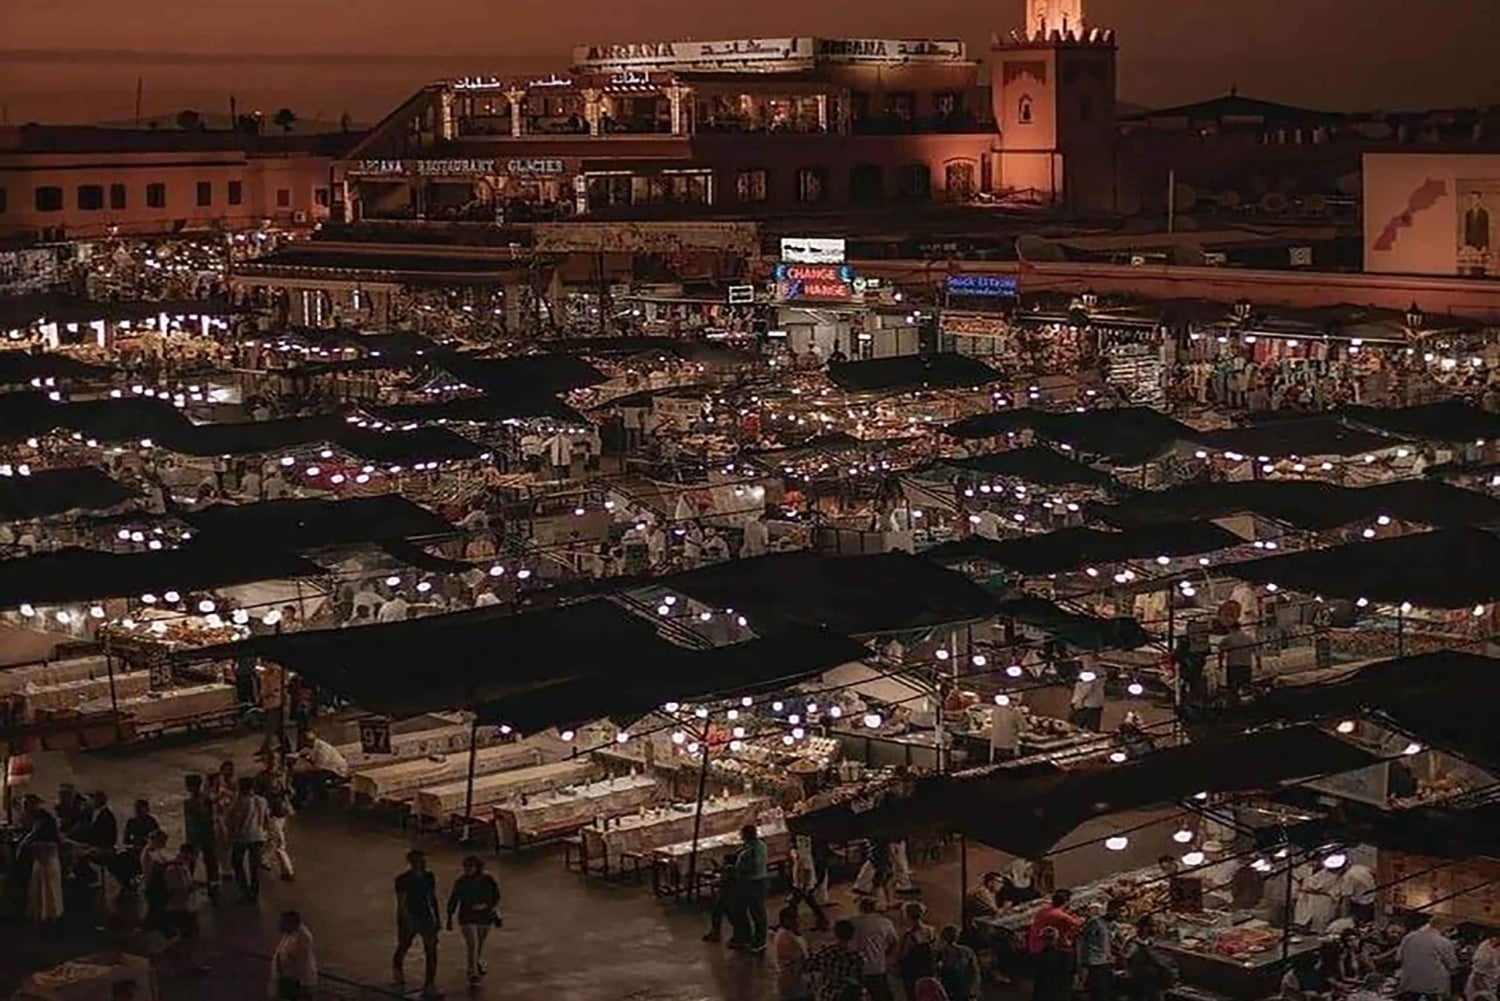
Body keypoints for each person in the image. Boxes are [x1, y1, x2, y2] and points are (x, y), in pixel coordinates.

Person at [392, 849, 441, 998]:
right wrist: (404, 918)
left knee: (431, 950)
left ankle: (429, 982)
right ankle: (397, 966)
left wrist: (437, 917)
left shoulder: (429, 877)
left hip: (425, 915)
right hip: (411, 916)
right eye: (420, 861)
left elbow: (432, 897)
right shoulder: (403, 879)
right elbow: (402, 901)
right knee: (404, 945)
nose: (423, 863)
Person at [446, 855, 500, 987]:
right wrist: (449, 917)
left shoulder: (487, 880)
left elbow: (495, 896)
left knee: (479, 943)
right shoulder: (461, 882)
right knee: (472, 944)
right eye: (466, 867)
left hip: (484, 916)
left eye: (471, 867)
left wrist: (487, 906)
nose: (468, 869)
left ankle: (476, 961)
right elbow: (453, 900)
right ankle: (472, 971)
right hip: (467, 916)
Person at [1395, 914, 1458, 1000]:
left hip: (1409, 985)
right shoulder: (1442, 942)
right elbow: (1453, 965)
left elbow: (1399, 957)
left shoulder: (1409, 937)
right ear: (1445, 927)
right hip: (1433, 988)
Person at [850, 896, 899, 1001]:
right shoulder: (885, 922)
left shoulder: (852, 922)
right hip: (878, 967)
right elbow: (894, 942)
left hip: (856, 968)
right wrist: (885, 955)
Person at [228, 776, 269, 902]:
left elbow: (235, 820)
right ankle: (254, 891)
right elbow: (266, 819)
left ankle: (244, 891)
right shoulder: (262, 800)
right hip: (258, 835)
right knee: (254, 866)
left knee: (236, 863)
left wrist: (231, 834)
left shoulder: (241, 802)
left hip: (242, 837)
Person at [806, 919, 866, 1001]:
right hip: (849, 996)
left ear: (836, 934)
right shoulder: (857, 957)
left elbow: (809, 966)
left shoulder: (826, 953)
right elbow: (859, 980)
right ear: (852, 935)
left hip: (829, 995)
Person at [733, 824, 771, 951]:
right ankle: (751, 937)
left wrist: (738, 870)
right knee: (753, 910)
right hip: (757, 881)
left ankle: (759, 941)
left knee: (757, 912)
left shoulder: (753, 850)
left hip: (754, 883)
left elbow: (753, 866)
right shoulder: (758, 846)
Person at [182, 775, 219, 894]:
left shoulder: (189, 803)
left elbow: (190, 823)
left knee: (191, 861)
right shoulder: (207, 800)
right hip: (207, 834)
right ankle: (213, 883)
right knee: (210, 861)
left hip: (195, 835)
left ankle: (187, 883)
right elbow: (212, 818)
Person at [1125, 917, 1177, 1001]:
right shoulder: (1133, 943)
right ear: (1145, 928)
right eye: (1153, 926)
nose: (1155, 928)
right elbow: (1128, 959)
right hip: (1140, 979)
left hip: (1153, 980)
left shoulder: (1151, 942)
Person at [270, 910, 317, 1000]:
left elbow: (301, 965)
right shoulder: (290, 935)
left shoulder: (301, 939)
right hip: (289, 981)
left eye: (283, 922)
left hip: (296, 983)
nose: (280, 924)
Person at [292, 731, 349, 805]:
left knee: (310, 776)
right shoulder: (311, 747)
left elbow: (319, 766)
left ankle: (317, 799)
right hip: (323, 767)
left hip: (334, 769)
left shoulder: (322, 749)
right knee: (300, 775)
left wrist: (305, 766)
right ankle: (301, 797)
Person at [897, 902, 939, 1001]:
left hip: (912, 973)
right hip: (929, 970)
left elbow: (902, 954)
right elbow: (936, 949)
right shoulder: (931, 931)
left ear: (907, 915)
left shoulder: (907, 935)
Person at [787, 835, 828, 930]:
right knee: (799, 902)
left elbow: (807, 870)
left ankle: (822, 920)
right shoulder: (802, 854)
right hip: (801, 883)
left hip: (803, 884)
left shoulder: (803, 855)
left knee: (806, 902)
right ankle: (822, 920)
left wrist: (805, 886)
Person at [1077, 902, 1114, 1001]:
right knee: (1098, 988)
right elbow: (1083, 938)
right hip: (1095, 960)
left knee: (1102, 988)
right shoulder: (1094, 922)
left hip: (1102, 959)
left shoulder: (1105, 923)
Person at [774, 905, 812, 1001]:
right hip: (792, 979)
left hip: (800, 979)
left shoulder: (792, 933)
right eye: (793, 918)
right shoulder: (783, 937)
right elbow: (793, 958)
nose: (796, 921)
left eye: (796, 917)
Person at [937, 925, 981, 1001]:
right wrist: (973, 992)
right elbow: (975, 973)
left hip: (951, 992)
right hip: (966, 992)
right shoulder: (968, 951)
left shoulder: (942, 953)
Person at [1033, 926, 1076, 1001]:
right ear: (1056, 938)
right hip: (1061, 993)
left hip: (1044, 993)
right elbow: (1073, 975)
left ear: (1042, 940)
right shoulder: (1067, 956)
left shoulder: (1038, 957)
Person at [1070, 664, 1106, 732]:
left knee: (1075, 729)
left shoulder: (1088, 673)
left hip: (1085, 705)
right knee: (1092, 729)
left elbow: (1087, 688)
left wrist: (1079, 701)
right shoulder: (1101, 671)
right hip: (1095, 704)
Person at [1467, 932, 1500, 1000]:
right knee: (1472, 994)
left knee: (1489, 995)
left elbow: (1494, 963)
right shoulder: (1484, 944)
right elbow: (1477, 959)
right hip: (1478, 972)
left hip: (1491, 976)